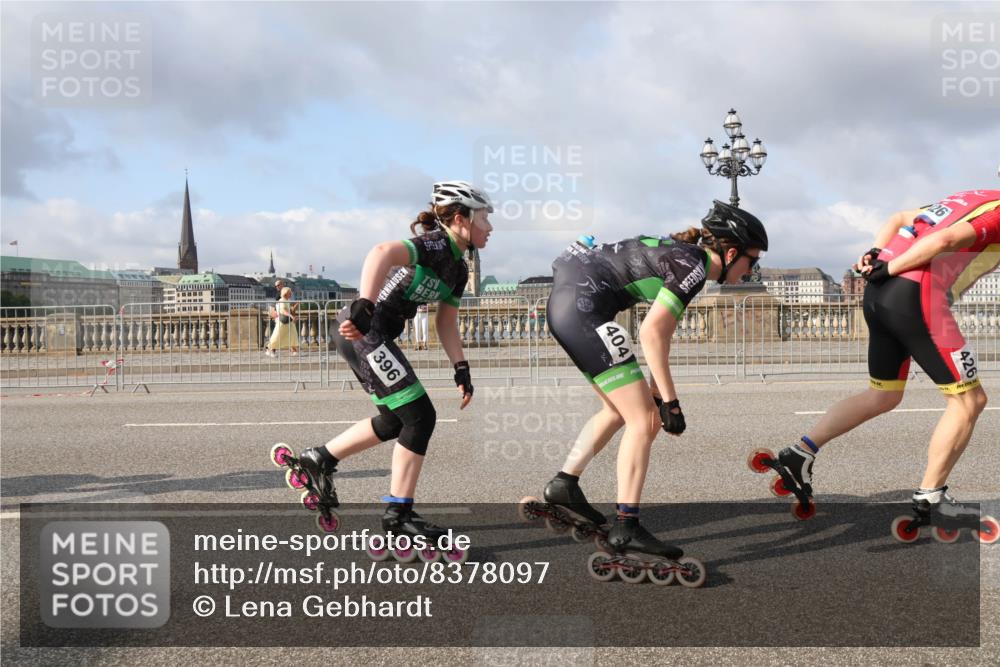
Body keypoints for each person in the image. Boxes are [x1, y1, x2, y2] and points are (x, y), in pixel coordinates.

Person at [538, 200, 768, 562]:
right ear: (732, 251)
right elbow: (651, 333)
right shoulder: (693, 266)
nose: (754, 269)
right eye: (752, 260)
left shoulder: (685, 257)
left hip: (573, 307)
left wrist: (661, 392)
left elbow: (661, 335)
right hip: (584, 311)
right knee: (644, 420)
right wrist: (670, 404)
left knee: (617, 410)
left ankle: (564, 484)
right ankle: (626, 526)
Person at [770, 189, 999, 539]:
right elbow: (948, 238)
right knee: (969, 400)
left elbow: (897, 217)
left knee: (884, 396)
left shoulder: (973, 198)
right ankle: (932, 497)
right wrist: (890, 266)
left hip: (879, 296)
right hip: (916, 298)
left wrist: (877, 256)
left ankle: (799, 453)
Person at [295, 181, 493, 544]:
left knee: (394, 420)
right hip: (363, 331)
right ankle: (398, 514)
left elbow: (444, 322)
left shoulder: (458, 269)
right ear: (461, 219)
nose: (490, 227)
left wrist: (461, 368)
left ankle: (320, 458)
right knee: (420, 417)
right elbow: (381, 251)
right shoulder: (435, 243)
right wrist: (364, 305)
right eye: (485, 218)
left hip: (371, 334)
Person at [266, 286, 299, 357]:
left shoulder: (286, 300)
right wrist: (291, 316)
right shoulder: (282, 300)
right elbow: (283, 311)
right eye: (289, 293)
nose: (291, 294)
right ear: (285, 293)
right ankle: (270, 349)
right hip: (282, 322)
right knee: (277, 336)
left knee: (292, 335)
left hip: (288, 322)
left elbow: (289, 310)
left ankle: (294, 350)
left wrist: (294, 308)